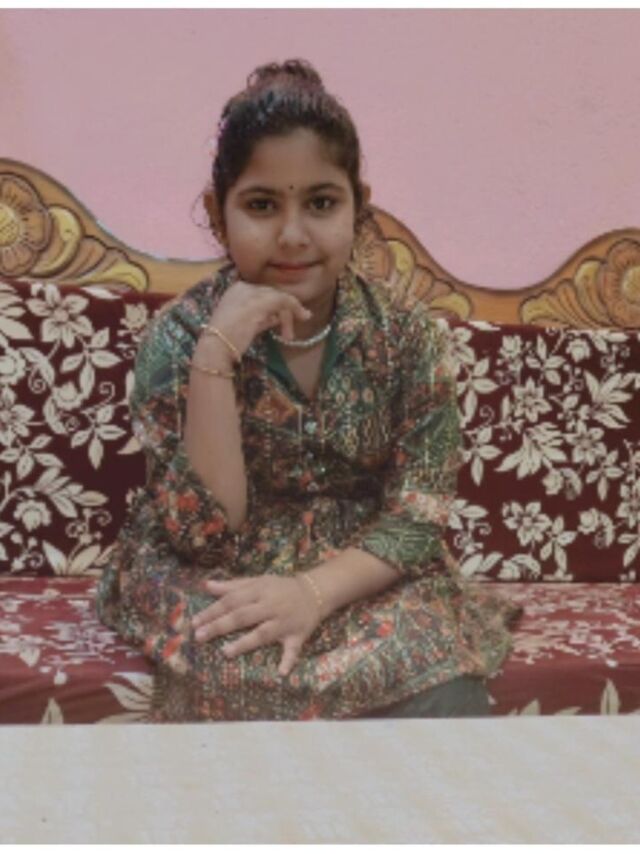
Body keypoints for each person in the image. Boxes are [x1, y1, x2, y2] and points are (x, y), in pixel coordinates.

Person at [96, 58, 521, 721]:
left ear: (358, 207)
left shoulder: (407, 336)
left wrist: (313, 593)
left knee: (437, 666)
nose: (293, 236)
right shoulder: (177, 340)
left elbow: (417, 514)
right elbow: (204, 535)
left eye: (321, 203)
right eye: (262, 205)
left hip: (362, 567)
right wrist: (215, 356)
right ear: (217, 214)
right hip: (217, 571)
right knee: (227, 649)